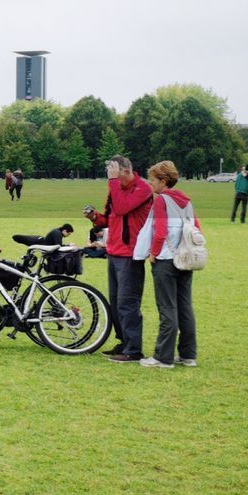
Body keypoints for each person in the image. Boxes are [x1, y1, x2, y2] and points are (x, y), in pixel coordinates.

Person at [84, 155, 154, 363]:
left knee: (127, 302)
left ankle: (134, 350)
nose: (111, 178)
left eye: (113, 173)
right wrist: (95, 217)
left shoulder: (142, 188)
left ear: (125, 170)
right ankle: (124, 342)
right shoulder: (117, 189)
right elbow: (111, 217)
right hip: (114, 252)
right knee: (115, 302)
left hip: (131, 255)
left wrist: (113, 182)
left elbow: (123, 207)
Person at [140, 160, 200, 369]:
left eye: (153, 180)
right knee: (185, 307)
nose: (150, 184)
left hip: (166, 260)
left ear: (163, 181)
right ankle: (188, 354)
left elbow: (160, 231)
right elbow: (196, 228)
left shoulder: (161, 201)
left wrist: (153, 253)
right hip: (185, 259)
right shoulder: (187, 201)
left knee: (167, 307)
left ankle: (163, 357)